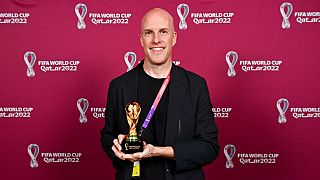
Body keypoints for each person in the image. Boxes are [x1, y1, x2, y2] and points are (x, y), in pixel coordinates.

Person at [101, 8, 219, 180]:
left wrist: (158, 152)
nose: (156, 40)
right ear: (141, 40)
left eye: (163, 32)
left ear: (174, 38)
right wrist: (117, 145)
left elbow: (209, 147)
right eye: (149, 33)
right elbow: (107, 135)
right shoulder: (119, 86)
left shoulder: (196, 85)